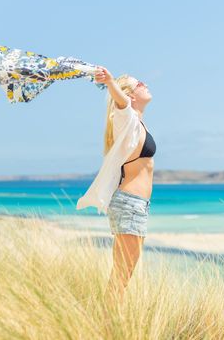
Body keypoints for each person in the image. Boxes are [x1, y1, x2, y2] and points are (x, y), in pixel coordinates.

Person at [93, 66, 156, 311]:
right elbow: (120, 105)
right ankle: (108, 327)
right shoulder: (126, 119)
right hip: (130, 204)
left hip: (135, 205)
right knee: (121, 277)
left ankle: (108, 324)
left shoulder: (138, 123)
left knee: (123, 275)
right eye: (138, 83)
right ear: (129, 95)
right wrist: (110, 82)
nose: (145, 83)